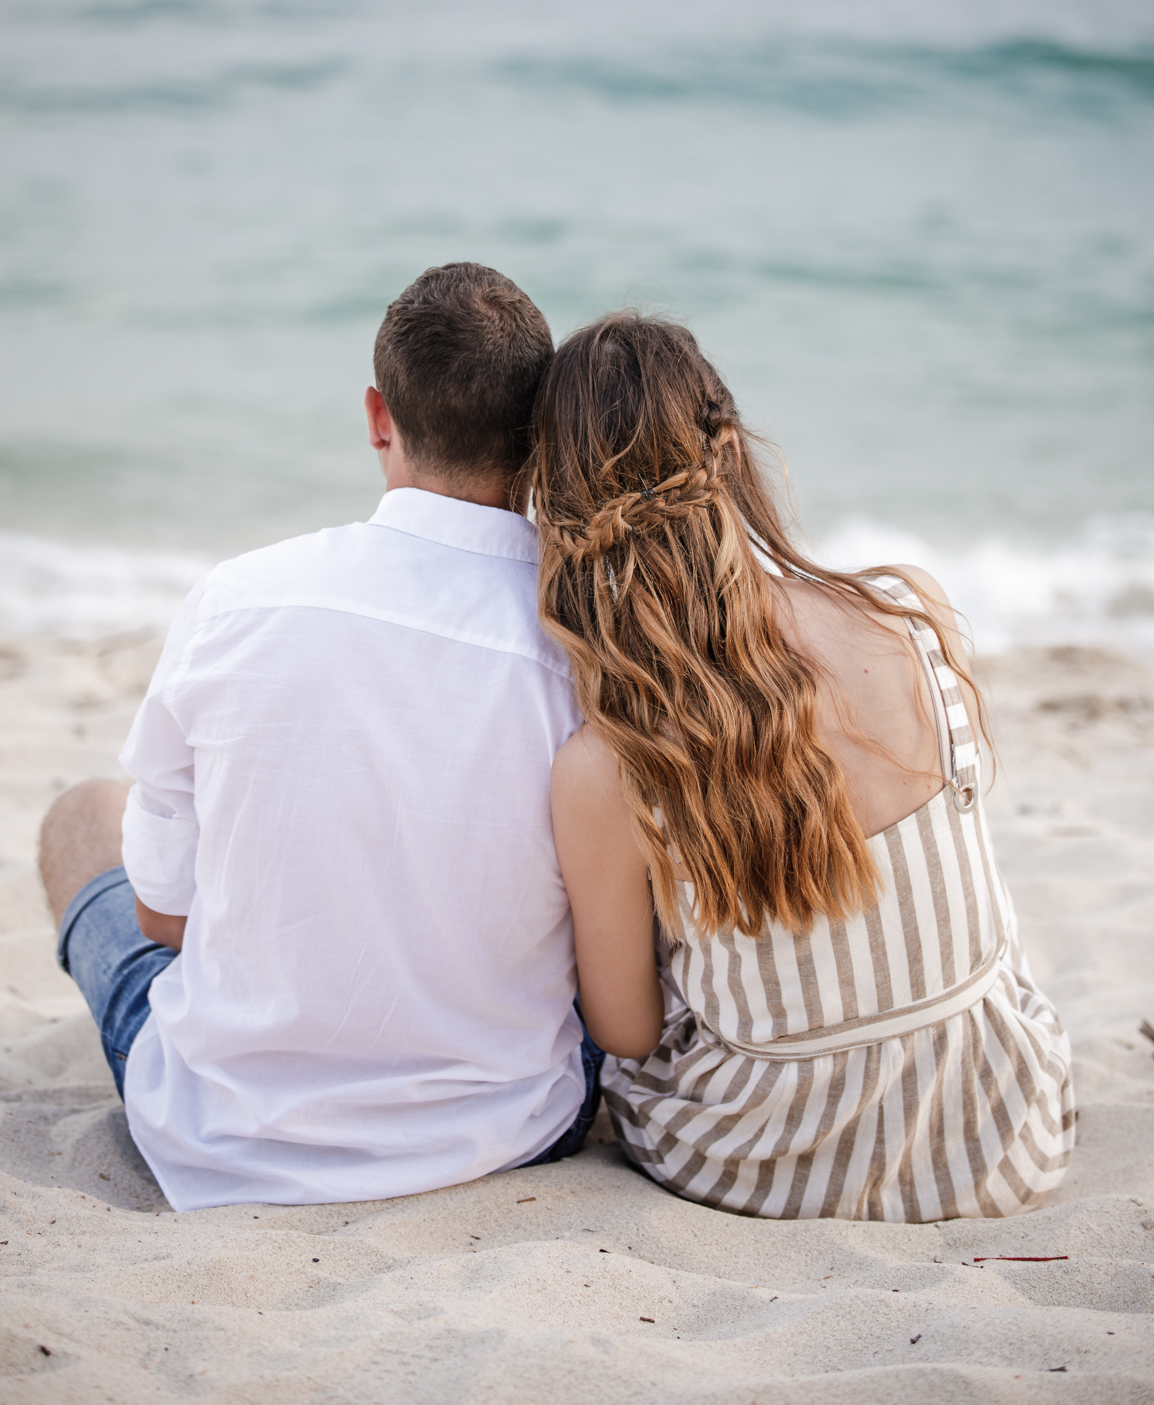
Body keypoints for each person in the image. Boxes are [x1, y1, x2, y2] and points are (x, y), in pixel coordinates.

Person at [40, 263, 600, 1211]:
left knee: (84, 812)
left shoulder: (237, 599)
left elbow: (164, 921)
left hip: (225, 1132)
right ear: (542, 436)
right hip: (508, 1125)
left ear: (380, 416)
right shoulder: (581, 642)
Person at [532, 313, 1074, 1221]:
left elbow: (626, 1029)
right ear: (732, 450)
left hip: (767, 1157)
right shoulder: (912, 612)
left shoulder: (608, 760)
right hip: (998, 1124)